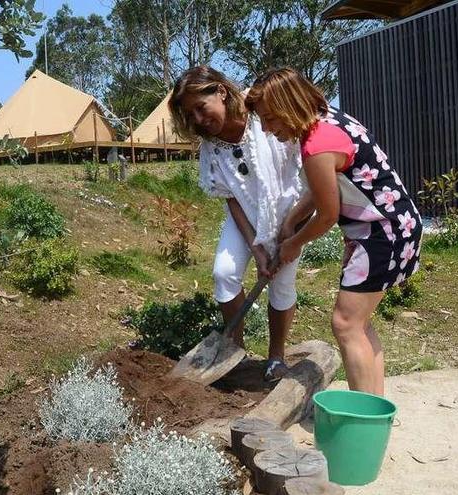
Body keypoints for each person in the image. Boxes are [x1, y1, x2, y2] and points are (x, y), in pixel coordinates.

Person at [246, 68, 423, 395]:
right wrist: (290, 223)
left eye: (271, 119)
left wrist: (294, 244)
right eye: (263, 122)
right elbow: (321, 189)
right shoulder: (330, 120)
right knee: (358, 323)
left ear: (291, 105)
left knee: (346, 323)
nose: (269, 129)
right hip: (395, 227)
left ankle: (362, 419)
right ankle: (373, 407)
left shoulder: (316, 144)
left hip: (382, 233)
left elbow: (327, 215)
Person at [168, 66, 304, 382]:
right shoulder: (211, 147)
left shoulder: (262, 114)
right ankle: (235, 354)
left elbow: (301, 165)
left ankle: (276, 358)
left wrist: (290, 233)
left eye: (201, 108)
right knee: (224, 273)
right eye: (191, 115)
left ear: (221, 92)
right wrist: (256, 247)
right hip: (244, 216)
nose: (199, 120)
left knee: (281, 285)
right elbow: (231, 197)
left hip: (288, 216)